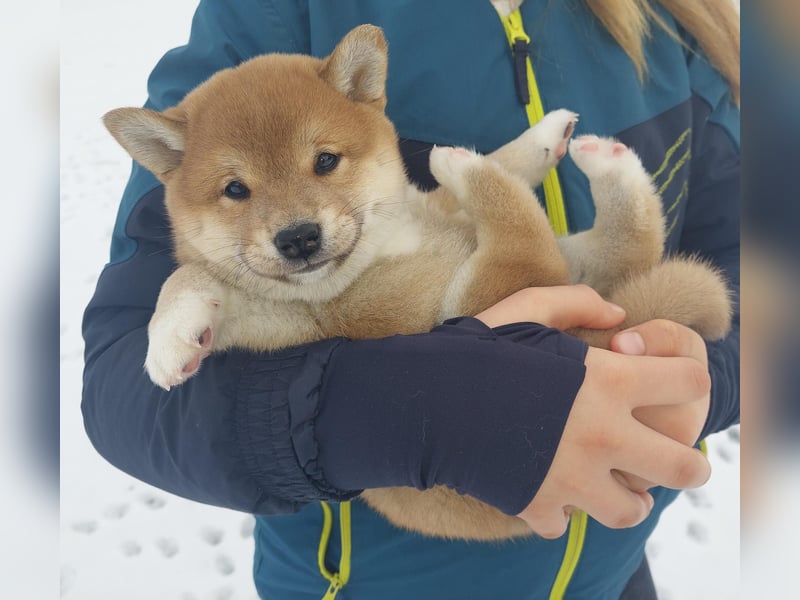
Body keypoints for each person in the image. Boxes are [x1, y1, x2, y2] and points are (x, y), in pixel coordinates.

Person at [81, 1, 739, 598]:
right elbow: (122, 385)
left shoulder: (676, 21)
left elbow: (756, 266)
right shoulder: (276, 17)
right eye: (237, 190)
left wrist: (702, 379)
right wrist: (408, 412)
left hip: (612, 569)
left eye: (324, 163)